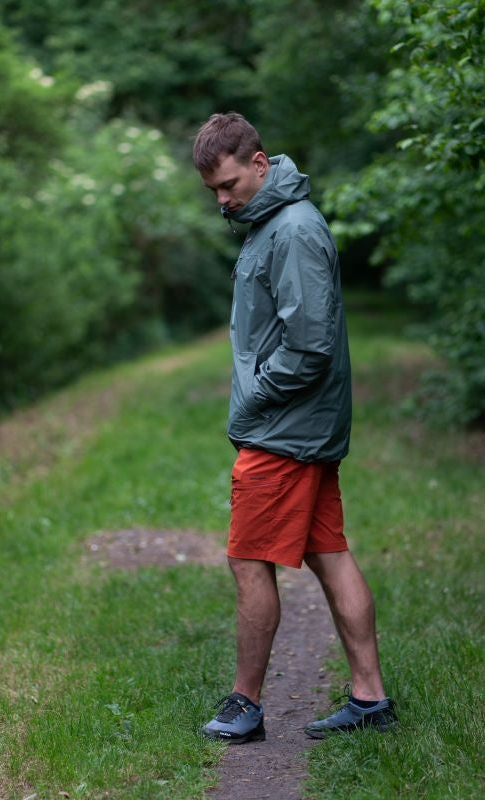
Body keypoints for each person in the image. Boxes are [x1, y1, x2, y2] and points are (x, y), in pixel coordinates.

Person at [192, 112, 397, 744]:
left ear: (259, 163)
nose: (222, 200)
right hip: (298, 427)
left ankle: (245, 705)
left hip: (284, 431)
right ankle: (370, 699)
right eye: (213, 191)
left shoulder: (294, 229)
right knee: (329, 554)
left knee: (249, 560)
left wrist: (254, 399)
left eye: (228, 184)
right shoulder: (269, 222)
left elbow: (309, 346)